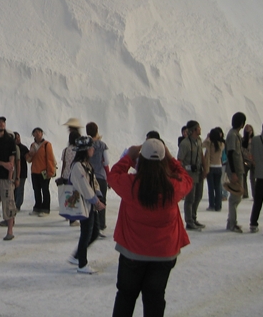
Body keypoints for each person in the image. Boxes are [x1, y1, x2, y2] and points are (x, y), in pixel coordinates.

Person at [108, 138, 192, 317]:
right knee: (155, 297)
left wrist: (128, 157)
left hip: (132, 253)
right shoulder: (173, 186)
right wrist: (171, 159)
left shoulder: (131, 184)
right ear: (163, 161)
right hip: (164, 254)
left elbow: (113, 175)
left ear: (142, 161)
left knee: (126, 296)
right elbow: (187, 178)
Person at [67, 136, 105, 274]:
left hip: (90, 205)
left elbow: (93, 182)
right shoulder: (78, 166)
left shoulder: (86, 164)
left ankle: (77, 256)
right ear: (85, 150)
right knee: (86, 234)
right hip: (84, 205)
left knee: (94, 232)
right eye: (91, 147)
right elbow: (84, 187)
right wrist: (96, 201)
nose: (93, 149)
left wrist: (98, 194)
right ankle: (82, 264)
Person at [177, 120, 206, 231]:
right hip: (189, 174)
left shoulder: (199, 141)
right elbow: (180, 160)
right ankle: (189, 221)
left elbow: (201, 155)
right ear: (194, 130)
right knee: (190, 198)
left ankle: (194, 217)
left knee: (198, 196)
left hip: (198, 172)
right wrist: (181, 174)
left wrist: (205, 169)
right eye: (198, 128)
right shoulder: (185, 144)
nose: (200, 129)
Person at [27, 127, 57, 216]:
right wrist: (30, 155)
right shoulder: (33, 145)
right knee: (36, 190)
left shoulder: (47, 144)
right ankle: (37, 207)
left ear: (42, 133)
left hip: (44, 171)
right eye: (35, 132)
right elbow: (29, 160)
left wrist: (50, 171)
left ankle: (45, 208)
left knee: (45, 190)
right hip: (34, 171)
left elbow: (50, 158)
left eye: (39, 132)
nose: (37, 134)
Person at [86, 122, 109, 236]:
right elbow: (106, 162)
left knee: (90, 201)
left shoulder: (86, 144)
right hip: (101, 176)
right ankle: (101, 224)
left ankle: (90, 224)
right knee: (102, 200)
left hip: (89, 176)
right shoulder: (102, 145)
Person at [225, 112, 246, 233]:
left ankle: (232, 221)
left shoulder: (236, 134)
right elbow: (231, 153)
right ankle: (232, 223)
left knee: (237, 196)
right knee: (235, 197)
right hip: (235, 170)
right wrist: (233, 172)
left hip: (238, 168)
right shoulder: (232, 135)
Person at [203, 127, 224, 212]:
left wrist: (207, 138)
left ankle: (211, 205)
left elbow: (202, 145)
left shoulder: (209, 144)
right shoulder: (221, 144)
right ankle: (218, 205)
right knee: (218, 187)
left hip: (210, 167)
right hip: (219, 166)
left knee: (211, 187)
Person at [14, 132, 29, 212]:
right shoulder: (11, 147)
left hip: (22, 172)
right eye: (16, 138)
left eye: (19, 137)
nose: (18, 139)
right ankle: (13, 203)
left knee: (20, 189)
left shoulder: (23, 148)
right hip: (13, 172)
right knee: (13, 189)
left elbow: (28, 158)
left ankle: (18, 205)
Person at [242, 124, 255, 199]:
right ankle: (244, 193)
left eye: (250, 130)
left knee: (253, 178)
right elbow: (242, 150)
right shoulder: (243, 140)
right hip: (245, 160)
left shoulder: (255, 140)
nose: (249, 132)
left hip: (254, 161)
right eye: (247, 130)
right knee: (243, 177)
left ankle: (255, 194)